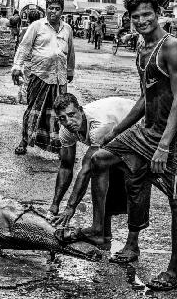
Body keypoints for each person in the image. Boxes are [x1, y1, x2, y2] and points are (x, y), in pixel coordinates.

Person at [88, 0, 177, 291]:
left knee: (176, 198)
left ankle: (174, 271)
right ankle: (106, 233)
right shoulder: (141, 47)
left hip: (173, 137)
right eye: (136, 16)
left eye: (147, 14)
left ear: (157, 14)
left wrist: (163, 146)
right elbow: (145, 99)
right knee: (101, 160)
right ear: (130, 19)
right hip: (145, 131)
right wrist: (117, 130)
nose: (142, 20)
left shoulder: (171, 46)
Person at [47, 95, 143, 249]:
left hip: (139, 128)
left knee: (100, 166)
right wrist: (54, 205)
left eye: (71, 115)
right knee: (102, 168)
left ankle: (100, 231)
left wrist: (70, 207)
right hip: (117, 136)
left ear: (80, 110)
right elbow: (65, 166)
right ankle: (103, 233)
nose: (68, 122)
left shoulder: (98, 126)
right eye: (62, 118)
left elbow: (87, 168)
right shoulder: (65, 130)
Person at [12, 0, 75, 155]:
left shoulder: (67, 29)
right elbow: (24, 47)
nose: (53, 11)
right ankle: (24, 141)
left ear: (62, 10)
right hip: (39, 75)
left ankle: (61, 147)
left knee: (60, 112)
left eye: (57, 9)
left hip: (59, 78)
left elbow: (71, 52)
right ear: (46, 9)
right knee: (33, 110)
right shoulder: (37, 26)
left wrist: (70, 71)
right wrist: (17, 67)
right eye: (51, 8)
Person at [16, 10, 41, 104]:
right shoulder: (42, 30)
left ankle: (24, 99)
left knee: (26, 81)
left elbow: (21, 45)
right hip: (39, 60)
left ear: (28, 19)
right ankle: (34, 100)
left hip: (27, 60)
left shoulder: (25, 30)